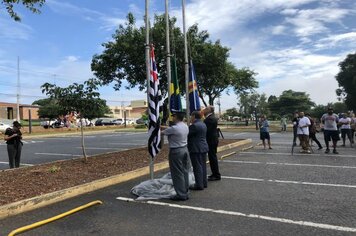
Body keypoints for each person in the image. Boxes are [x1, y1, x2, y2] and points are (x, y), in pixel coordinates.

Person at [161, 111, 190, 201]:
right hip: (185, 149)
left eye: (173, 116)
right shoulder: (185, 126)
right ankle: (185, 191)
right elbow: (170, 129)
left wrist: (156, 128)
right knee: (185, 171)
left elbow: (162, 133)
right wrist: (163, 127)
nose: (172, 118)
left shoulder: (174, 128)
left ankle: (181, 194)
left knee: (177, 173)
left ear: (176, 117)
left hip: (176, 151)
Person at [188, 111, 209, 190]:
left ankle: (199, 184)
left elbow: (187, 135)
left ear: (193, 116)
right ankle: (204, 183)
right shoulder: (203, 124)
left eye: (191, 116)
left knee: (197, 167)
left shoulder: (194, 126)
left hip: (196, 148)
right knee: (203, 166)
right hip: (203, 147)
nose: (190, 118)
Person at [203, 106, 221, 181]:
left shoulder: (210, 119)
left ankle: (216, 175)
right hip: (212, 140)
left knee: (212, 158)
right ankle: (215, 174)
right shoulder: (211, 117)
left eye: (206, 109)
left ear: (209, 110)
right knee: (212, 157)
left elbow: (205, 130)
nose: (204, 110)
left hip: (211, 140)